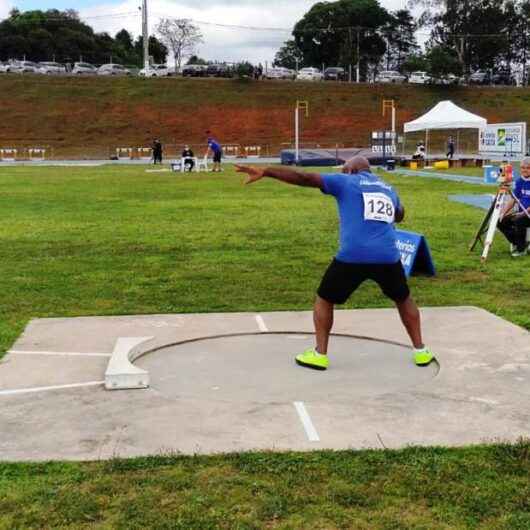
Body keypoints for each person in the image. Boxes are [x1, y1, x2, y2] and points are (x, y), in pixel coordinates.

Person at [235, 156, 436, 370]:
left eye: (343, 169)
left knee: (324, 298)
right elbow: (399, 214)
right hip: (388, 256)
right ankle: (421, 351)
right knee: (404, 299)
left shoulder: (345, 181)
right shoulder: (387, 188)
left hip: (353, 256)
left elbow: (304, 177)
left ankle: (320, 354)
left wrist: (267, 171)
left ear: (350, 170)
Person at [498, 157, 530, 257]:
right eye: (522, 168)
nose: (524, 170)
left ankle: (521, 250)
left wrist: (523, 213)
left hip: (527, 214)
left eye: (528, 168)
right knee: (501, 222)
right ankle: (519, 243)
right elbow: (513, 199)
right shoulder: (519, 182)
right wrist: (503, 212)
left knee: (519, 221)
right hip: (521, 213)